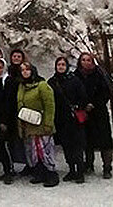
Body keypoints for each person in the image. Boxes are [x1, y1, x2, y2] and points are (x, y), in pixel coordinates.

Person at [17, 61, 59, 187]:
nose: (25, 72)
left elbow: (50, 105)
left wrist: (48, 123)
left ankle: (51, 174)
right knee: (33, 151)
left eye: (27, 69)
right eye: (23, 70)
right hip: (28, 124)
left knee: (44, 150)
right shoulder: (22, 86)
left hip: (41, 124)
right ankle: (39, 173)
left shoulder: (42, 85)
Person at [48, 56, 88, 184]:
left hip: (73, 118)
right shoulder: (52, 82)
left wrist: (78, 107)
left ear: (67, 67)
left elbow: (83, 96)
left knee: (77, 146)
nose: (60, 67)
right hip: (60, 118)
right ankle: (71, 169)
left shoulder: (74, 80)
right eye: (58, 65)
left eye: (63, 65)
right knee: (66, 146)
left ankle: (80, 171)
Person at [74, 52, 113, 179]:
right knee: (86, 140)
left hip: (99, 111)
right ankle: (89, 163)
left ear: (92, 62)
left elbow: (106, 92)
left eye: (88, 60)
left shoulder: (99, 74)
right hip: (83, 111)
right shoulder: (76, 75)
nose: (86, 62)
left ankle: (107, 167)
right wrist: (82, 105)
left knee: (104, 140)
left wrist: (94, 104)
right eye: (83, 60)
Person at [0, 58, 16, 184]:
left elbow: (9, 103)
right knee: (1, 146)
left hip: (5, 120)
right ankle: (7, 170)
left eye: (0, 67)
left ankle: (9, 171)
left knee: (5, 146)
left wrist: (4, 121)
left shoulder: (8, 81)